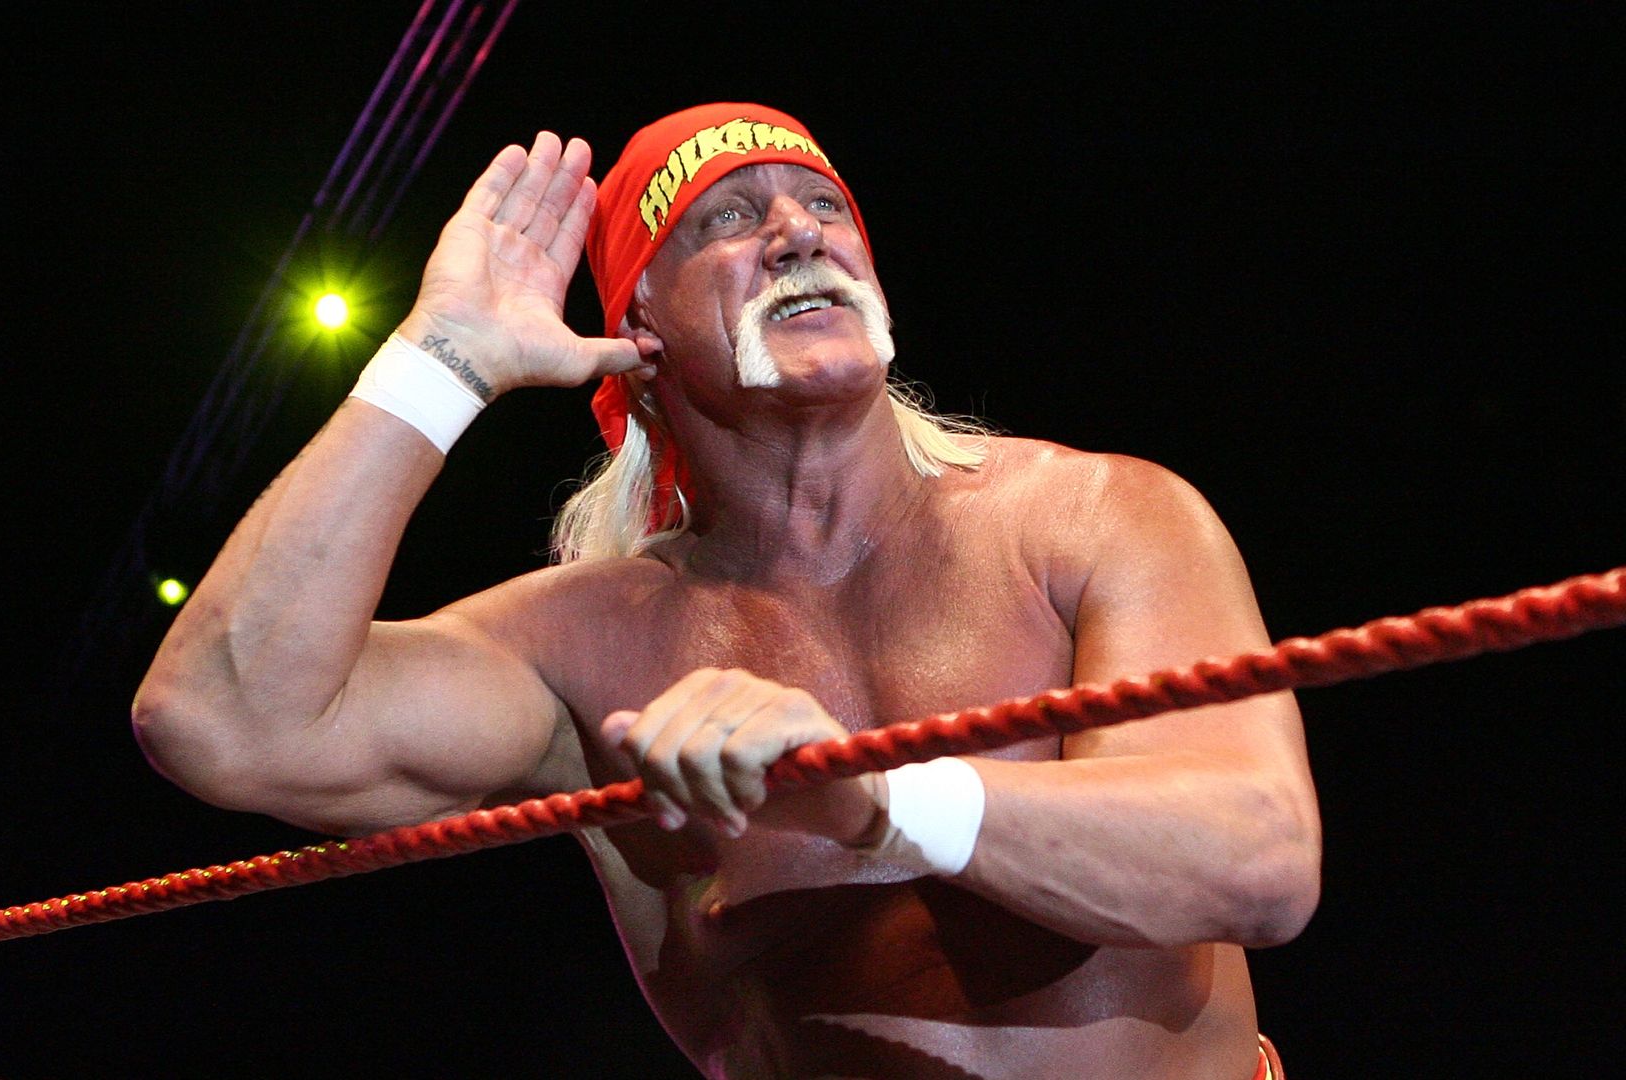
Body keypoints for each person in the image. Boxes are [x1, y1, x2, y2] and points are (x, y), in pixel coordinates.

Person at [131, 103, 1319, 1079]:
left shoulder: (1091, 519)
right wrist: (441, 364)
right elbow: (226, 719)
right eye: (731, 219)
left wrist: (874, 799)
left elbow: (1255, 862)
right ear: (638, 323)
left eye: (826, 209)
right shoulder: (587, 648)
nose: (799, 235)